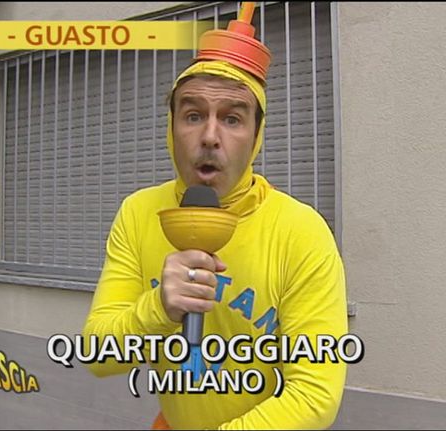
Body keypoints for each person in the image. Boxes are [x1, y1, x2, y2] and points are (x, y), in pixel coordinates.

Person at [82, 4, 348, 429]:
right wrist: (157, 309)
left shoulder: (301, 232)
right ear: (171, 128)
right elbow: (97, 354)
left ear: (256, 136)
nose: (209, 136)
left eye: (232, 119)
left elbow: (314, 395)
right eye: (193, 115)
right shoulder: (139, 213)